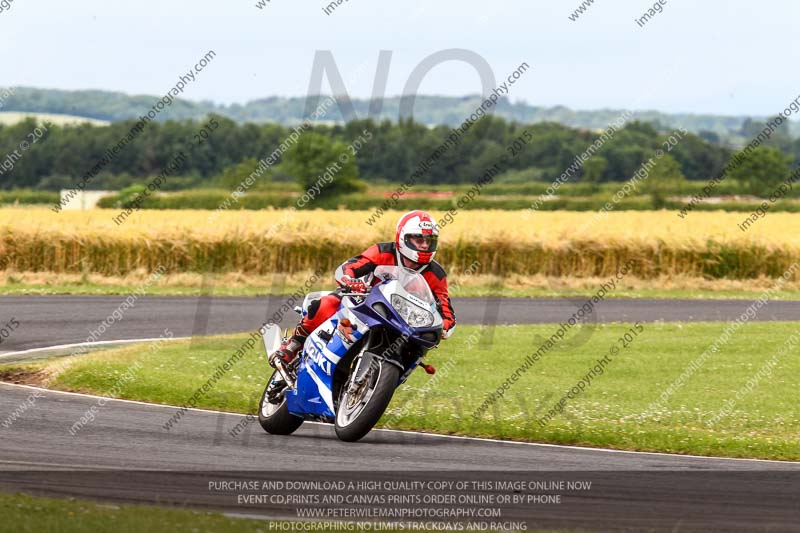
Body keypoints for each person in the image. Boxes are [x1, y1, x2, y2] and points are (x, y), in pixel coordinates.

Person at [270, 210, 456, 367]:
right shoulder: (382, 251)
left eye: (429, 240)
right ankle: (292, 346)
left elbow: (445, 309)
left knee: (415, 351)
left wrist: (444, 327)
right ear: (403, 238)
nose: (424, 245)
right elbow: (349, 267)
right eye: (418, 239)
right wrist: (350, 280)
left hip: (400, 321)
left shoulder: (436, 274)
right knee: (326, 304)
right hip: (363, 303)